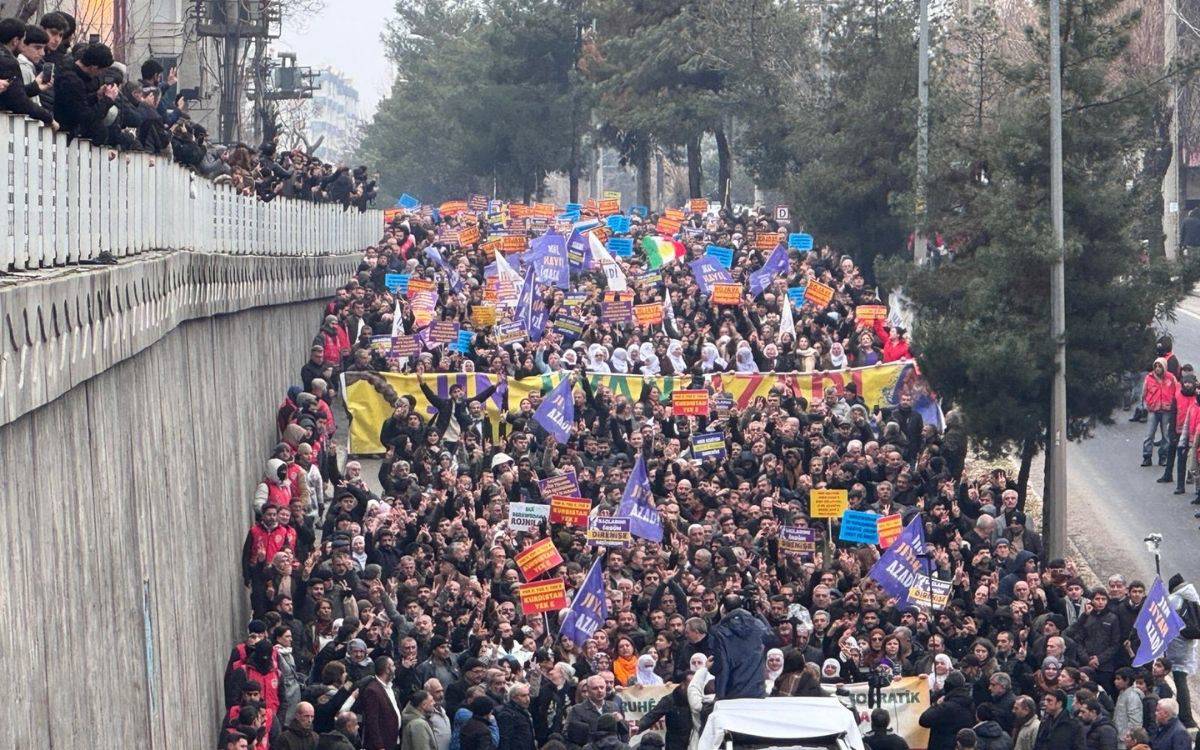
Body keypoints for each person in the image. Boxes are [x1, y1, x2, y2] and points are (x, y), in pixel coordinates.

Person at [919, 671, 977, 750]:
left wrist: (936, 704)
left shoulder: (946, 707)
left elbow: (924, 720)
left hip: (942, 745)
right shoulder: (970, 703)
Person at [1142, 358, 1179, 467]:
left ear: (1164, 367)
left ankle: (1163, 457)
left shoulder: (1171, 378)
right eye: (1156, 366)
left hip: (1166, 411)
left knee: (1166, 436)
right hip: (1153, 410)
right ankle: (1147, 457)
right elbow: (1144, 393)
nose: (1157, 369)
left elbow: (1177, 393)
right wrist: (1145, 406)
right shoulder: (1149, 378)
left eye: (1160, 366)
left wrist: (1174, 407)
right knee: (1149, 435)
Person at [359, 657, 402, 750]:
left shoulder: (391, 687)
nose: (395, 668)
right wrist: (379, 746)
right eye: (393, 666)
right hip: (383, 745)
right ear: (387, 669)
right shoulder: (372, 690)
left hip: (395, 740)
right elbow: (372, 721)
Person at [495, 683, 536, 750]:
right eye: (523, 696)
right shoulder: (506, 714)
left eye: (528, 695)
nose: (528, 699)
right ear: (514, 698)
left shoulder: (523, 712)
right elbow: (505, 740)